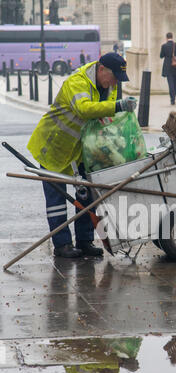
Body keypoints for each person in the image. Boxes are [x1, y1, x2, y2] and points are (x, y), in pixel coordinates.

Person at [27, 53, 137, 258]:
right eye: (113, 77)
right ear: (101, 69)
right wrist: (118, 106)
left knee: (87, 197)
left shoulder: (109, 86)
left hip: (82, 151)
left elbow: (102, 116)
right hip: (54, 147)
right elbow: (84, 109)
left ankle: (85, 241)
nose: (114, 83)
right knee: (57, 200)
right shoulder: (77, 82)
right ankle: (62, 245)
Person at [160, 32, 176, 105]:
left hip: (168, 67)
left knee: (170, 83)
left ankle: (172, 99)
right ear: (172, 37)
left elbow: (161, 56)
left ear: (166, 38)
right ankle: (174, 98)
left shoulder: (164, 46)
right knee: (175, 83)